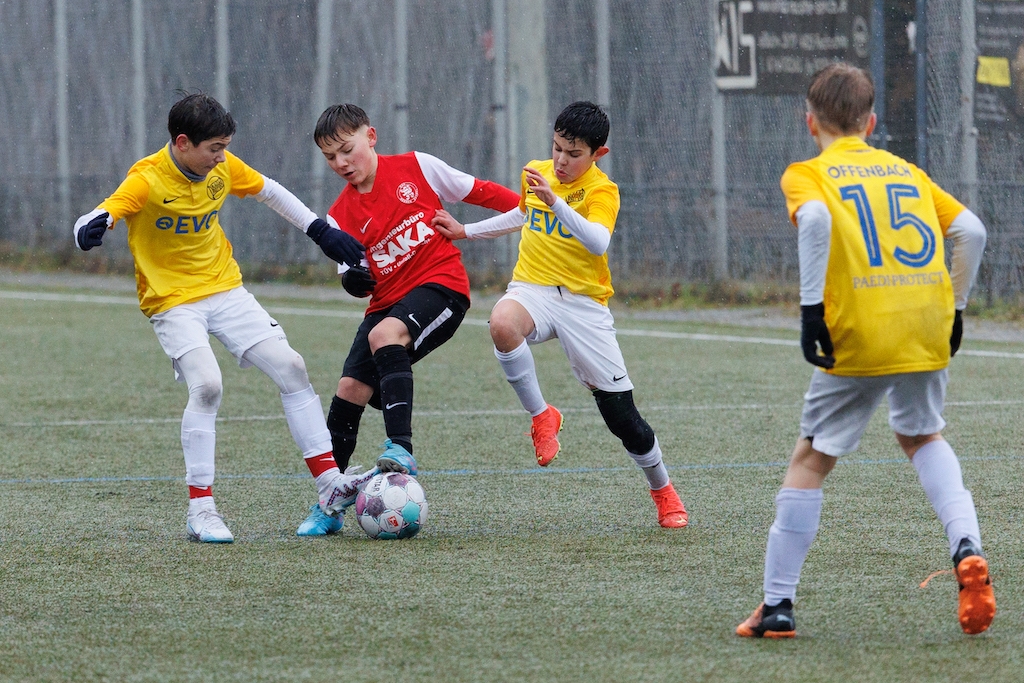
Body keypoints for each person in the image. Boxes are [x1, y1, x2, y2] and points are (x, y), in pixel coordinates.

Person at [73, 93, 412, 543]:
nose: (221, 157)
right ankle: (201, 511)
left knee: (292, 366)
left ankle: (330, 483)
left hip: (225, 290)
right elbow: (100, 214)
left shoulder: (221, 167)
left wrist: (320, 231)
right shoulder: (146, 179)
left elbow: (270, 191)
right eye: (214, 148)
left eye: (225, 148)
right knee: (207, 386)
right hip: (173, 302)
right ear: (182, 143)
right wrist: (88, 228)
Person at [734, 63, 994, 637]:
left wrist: (810, 312)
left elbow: (816, 219)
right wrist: (956, 309)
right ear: (871, 123)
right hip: (925, 322)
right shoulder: (906, 171)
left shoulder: (808, 174)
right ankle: (966, 544)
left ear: (810, 123)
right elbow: (971, 231)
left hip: (860, 329)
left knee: (811, 459)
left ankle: (777, 606)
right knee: (923, 436)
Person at [432, 101, 689, 529]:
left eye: (574, 154)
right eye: (556, 148)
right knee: (501, 324)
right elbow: (523, 214)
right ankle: (541, 416)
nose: (561, 161)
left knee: (624, 420)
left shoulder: (602, 190)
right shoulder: (536, 172)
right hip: (533, 289)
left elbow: (598, 242)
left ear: (598, 154)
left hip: (584, 304)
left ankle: (662, 489)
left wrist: (556, 202)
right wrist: (466, 231)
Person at [295, 103, 521, 535]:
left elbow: (482, 192)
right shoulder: (339, 214)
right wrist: (354, 280)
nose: (341, 163)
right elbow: (354, 277)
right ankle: (330, 501)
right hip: (385, 304)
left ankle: (400, 447)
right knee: (349, 390)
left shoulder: (417, 166)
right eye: (330, 157)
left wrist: (533, 210)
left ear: (371, 136)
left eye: (347, 149)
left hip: (442, 287)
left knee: (385, 335)